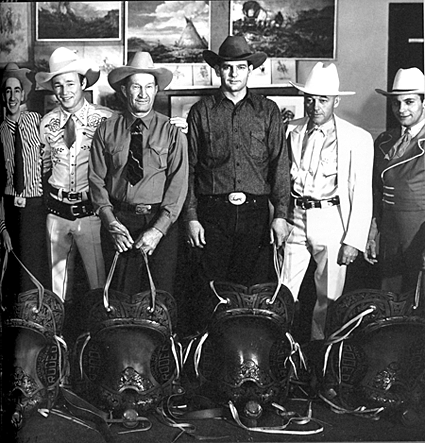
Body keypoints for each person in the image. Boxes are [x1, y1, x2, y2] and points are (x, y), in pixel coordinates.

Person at [184, 35, 291, 289]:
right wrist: (191, 216)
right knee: (210, 289)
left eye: (241, 67)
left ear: (250, 70)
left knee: (251, 291)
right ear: (218, 69)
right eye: (227, 67)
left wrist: (281, 215)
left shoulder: (268, 110)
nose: (234, 73)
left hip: (255, 215)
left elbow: (280, 165)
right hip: (212, 214)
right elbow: (188, 168)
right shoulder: (201, 111)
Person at [283, 62, 374, 340]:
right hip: (295, 217)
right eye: (309, 100)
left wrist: (353, 240)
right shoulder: (290, 129)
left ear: (336, 100)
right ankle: (283, 355)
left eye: (323, 100)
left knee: (328, 298)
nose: (315, 107)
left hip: (332, 220)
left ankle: (320, 363)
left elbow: (361, 192)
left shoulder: (356, 138)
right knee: (283, 291)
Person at [88, 52, 188, 296]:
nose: (143, 94)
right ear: (124, 90)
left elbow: (178, 186)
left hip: (160, 223)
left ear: (156, 90)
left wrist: (157, 230)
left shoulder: (172, 132)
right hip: (119, 222)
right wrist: (110, 222)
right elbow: (95, 180)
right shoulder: (107, 128)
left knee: (159, 298)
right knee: (122, 297)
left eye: (149, 87)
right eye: (136, 86)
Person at [35, 47, 114, 302]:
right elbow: (44, 165)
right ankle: (59, 341)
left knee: (99, 287)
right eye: (58, 85)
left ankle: (96, 339)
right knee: (58, 291)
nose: (64, 91)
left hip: (90, 213)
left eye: (70, 83)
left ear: (82, 83)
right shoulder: (46, 123)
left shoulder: (105, 120)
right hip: (56, 214)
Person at [364, 67, 425, 293]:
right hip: (389, 232)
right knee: (390, 298)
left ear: (424, 103)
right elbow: (376, 190)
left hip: (418, 233)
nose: (402, 109)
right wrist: (372, 231)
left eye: (409, 102)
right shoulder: (385, 140)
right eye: (396, 103)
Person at [0, 63, 48, 294]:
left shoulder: (37, 121)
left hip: (35, 208)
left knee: (36, 266)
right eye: (7, 91)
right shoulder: (0, 131)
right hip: (10, 209)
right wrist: (2, 227)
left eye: (16, 90)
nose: (12, 96)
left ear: (23, 94)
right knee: (12, 271)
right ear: (2, 95)